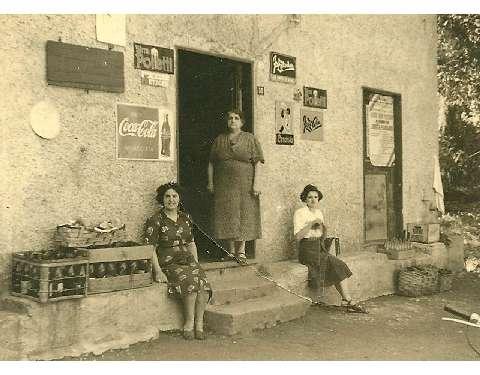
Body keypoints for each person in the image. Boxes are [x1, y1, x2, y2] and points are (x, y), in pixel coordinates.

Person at [144, 182, 213, 340]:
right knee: (190, 281)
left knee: (202, 282)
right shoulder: (155, 220)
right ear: (162, 199)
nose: (171, 199)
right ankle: (188, 322)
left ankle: (199, 323)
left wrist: (196, 264)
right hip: (169, 262)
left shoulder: (185, 218)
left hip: (187, 260)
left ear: (179, 198)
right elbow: (150, 248)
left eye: (174, 196)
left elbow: (191, 243)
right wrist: (158, 271)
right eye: (167, 196)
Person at [293, 184, 366, 313]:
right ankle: (347, 299)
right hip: (307, 249)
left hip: (319, 248)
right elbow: (298, 237)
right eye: (309, 197)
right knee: (334, 263)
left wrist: (323, 229)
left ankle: (346, 299)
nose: (313, 200)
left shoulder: (319, 213)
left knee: (339, 264)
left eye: (316, 197)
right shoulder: (300, 213)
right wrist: (311, 224)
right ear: (305, 199)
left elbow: (322, 233)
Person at [207, 109, 265, 265]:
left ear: (242, 122)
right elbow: (211, 162)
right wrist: (211, 182)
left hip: (245, 184)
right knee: (228, 215)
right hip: (224, 185)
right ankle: (231, 252)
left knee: (244, 214)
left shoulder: (250, 139)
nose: (233, 121)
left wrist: (256, 183)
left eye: (236, 118)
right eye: (230, 118)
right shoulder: (220, 139)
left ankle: (242, 251)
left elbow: (257, 162)